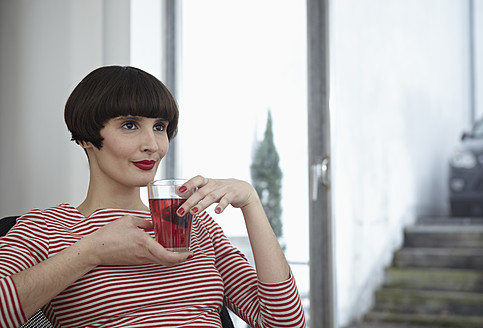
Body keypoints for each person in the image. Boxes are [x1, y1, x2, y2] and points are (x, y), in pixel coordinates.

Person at [0, 66, 306, 327]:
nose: (153, 144)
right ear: (85, 137)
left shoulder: (193, 224)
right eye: (130, 125)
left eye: (160, 127)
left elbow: (283, 322)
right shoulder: (43, 229)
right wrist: (93, 251)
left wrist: (251, 202)